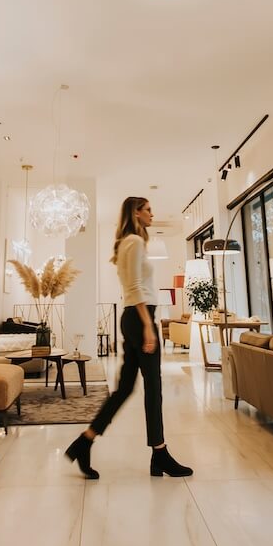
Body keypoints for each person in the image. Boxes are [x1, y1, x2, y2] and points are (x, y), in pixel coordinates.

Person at [65, 196, 193, 479]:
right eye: (148, 209)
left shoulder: (129, 243)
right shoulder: (133, 242)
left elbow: (134, 286)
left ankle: (83, 442)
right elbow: (135, 286)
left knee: (125, 389)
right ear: (136, 213)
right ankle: (160, 453)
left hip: (132, 317)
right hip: (139, 317)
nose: (152, 213)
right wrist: (148, 325)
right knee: (153, 388)